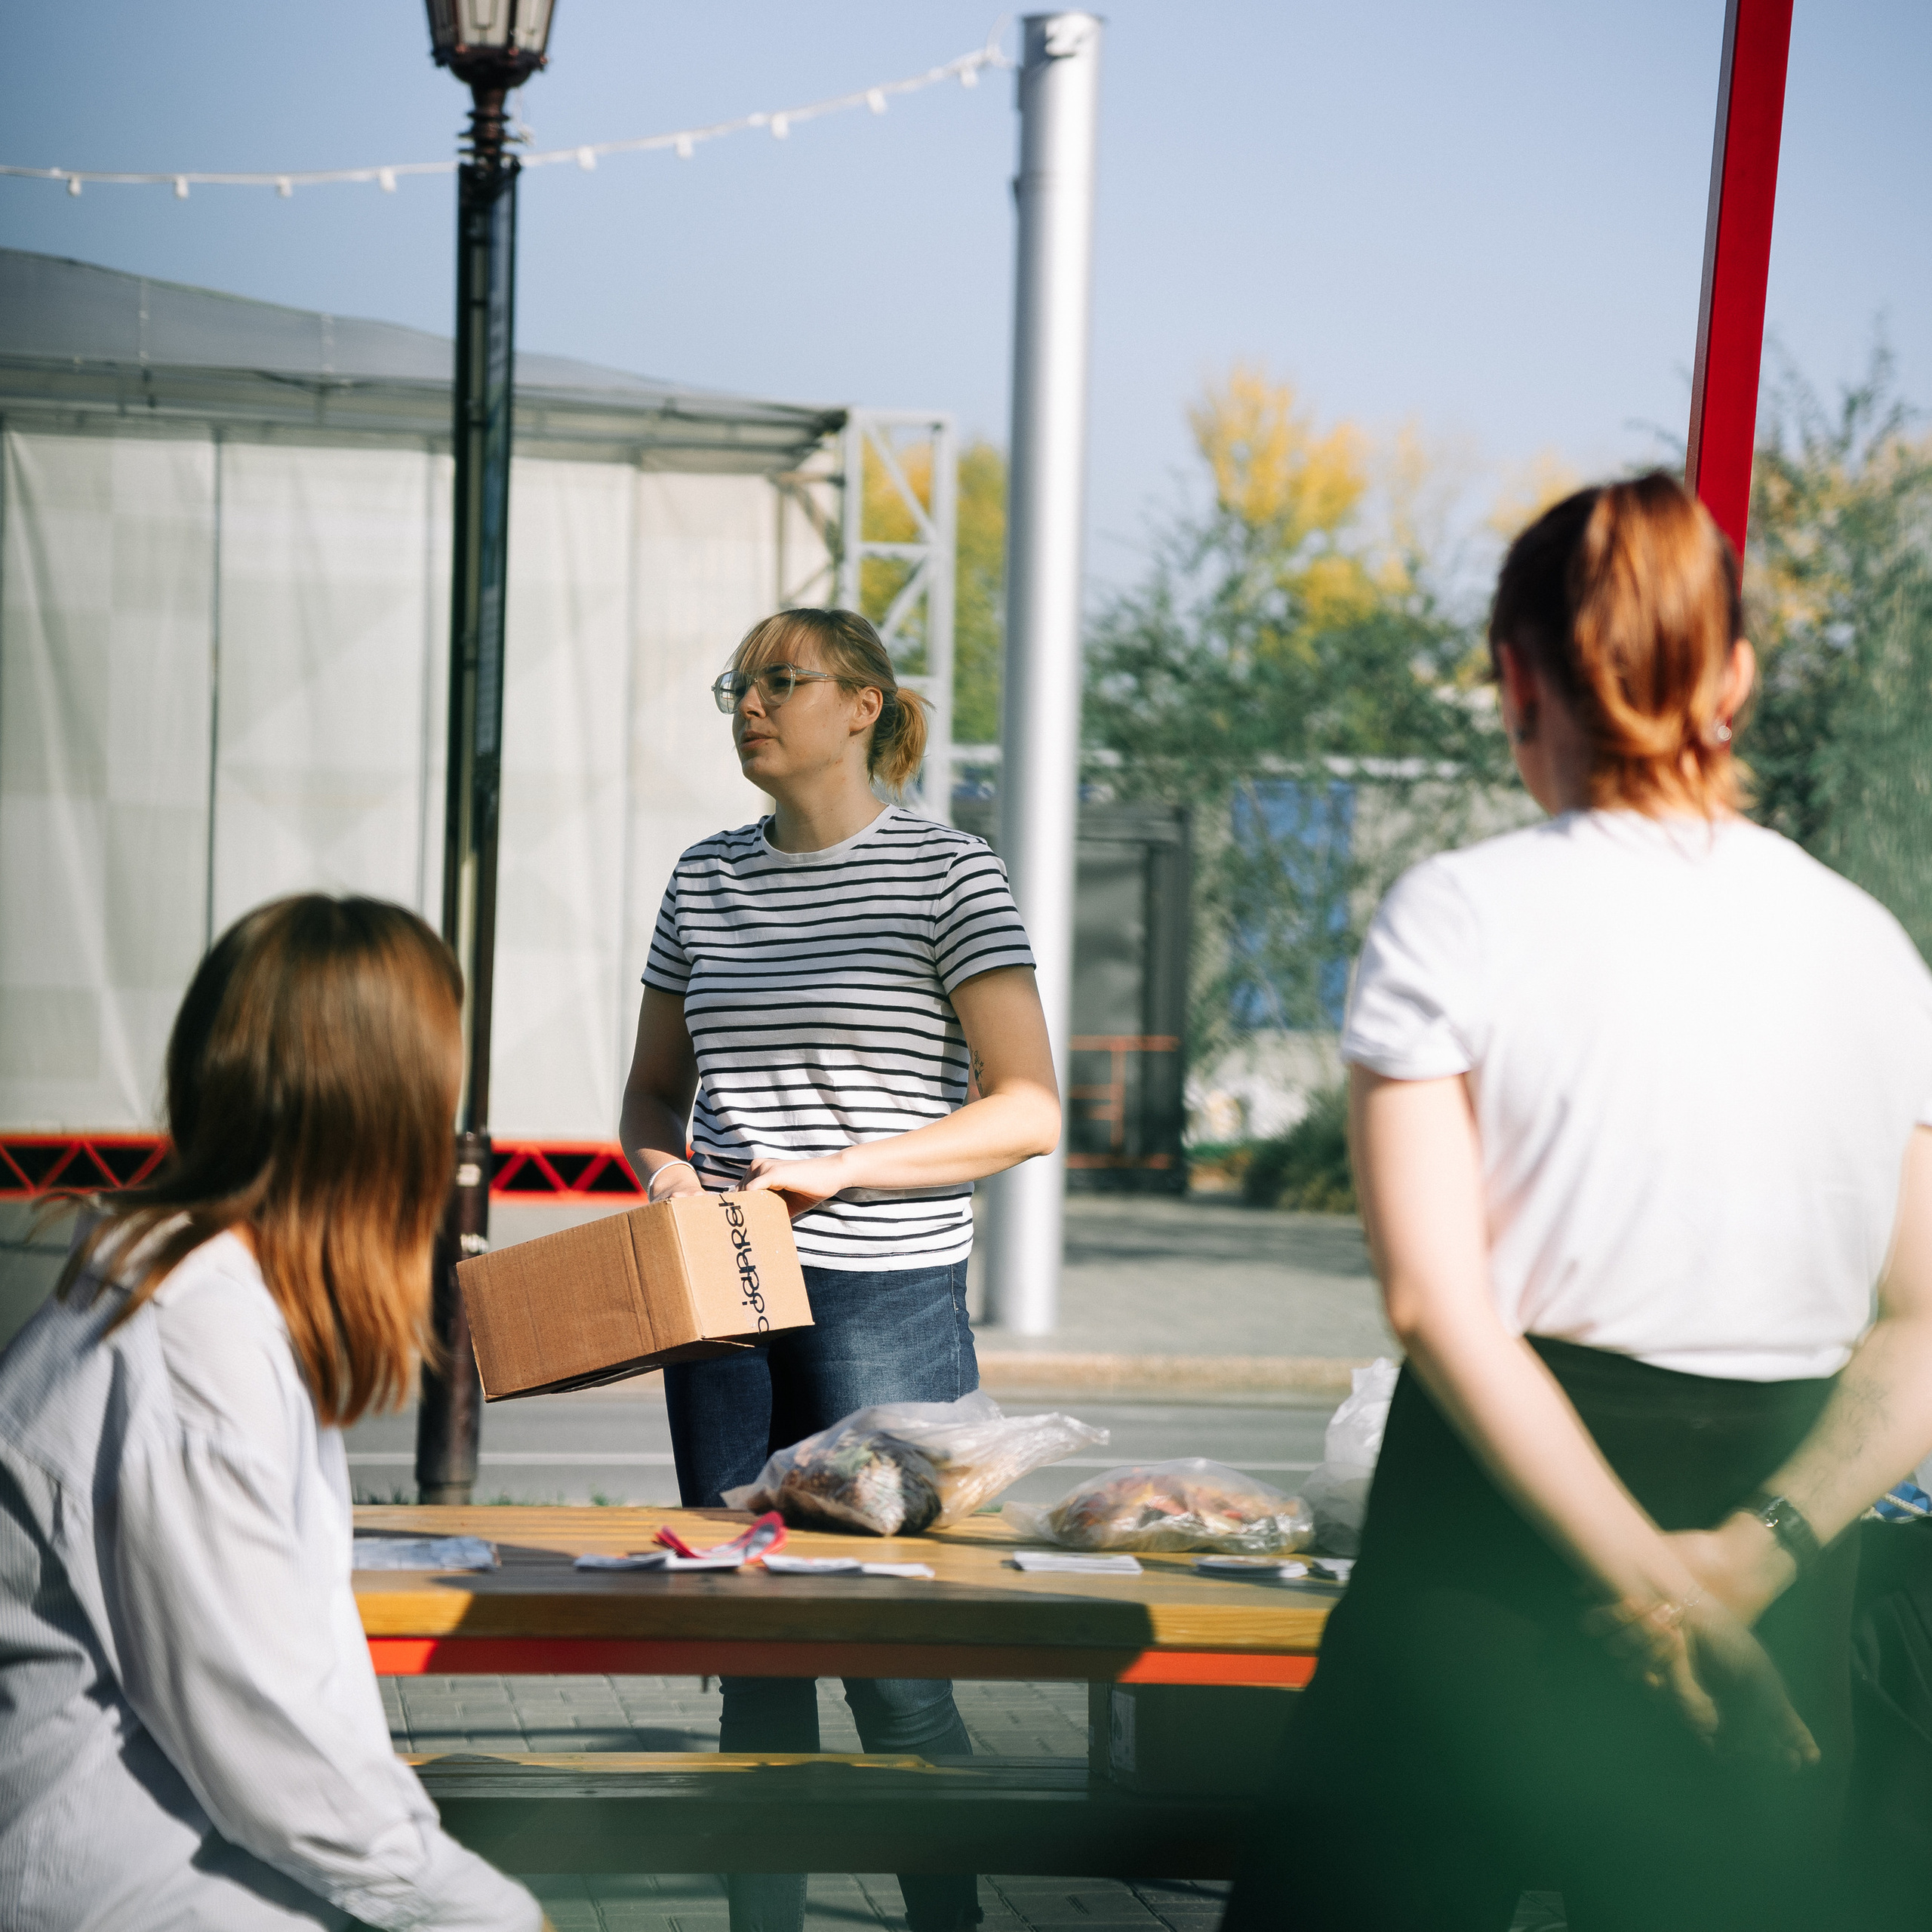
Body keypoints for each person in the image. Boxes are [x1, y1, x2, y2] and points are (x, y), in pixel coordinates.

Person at [1223, 474, 1932, 1931]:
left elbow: (1439, 1306)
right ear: (1735, 675)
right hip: (1782, 1561)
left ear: (1513, 677)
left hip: (1486, 1572)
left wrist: (1643, 1580)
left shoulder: (1457, 914)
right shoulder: (1874, 953)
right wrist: (1743, 1568)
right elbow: (1920, 1326)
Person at [620, 607, 1060, 1932]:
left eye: (780, 681)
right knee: (750, 1648)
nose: (749, 704)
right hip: (724, 1301)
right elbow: (651, 1097)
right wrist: (669, 1175)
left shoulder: (950, 874)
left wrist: (846, 1165)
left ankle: (949, 1921)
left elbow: (1030, 1108)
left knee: (893, 1652)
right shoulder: (703, 879)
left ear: (863, 705)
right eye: (736, 686)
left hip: (884, 1299)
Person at [0, 897, 545, 1932]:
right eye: (435, 1098)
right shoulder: (192, 1337)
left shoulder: (182, 1286)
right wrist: (497, 1916)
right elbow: (280, 1762)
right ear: (372, 1120)